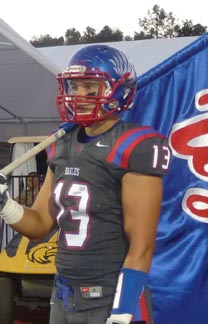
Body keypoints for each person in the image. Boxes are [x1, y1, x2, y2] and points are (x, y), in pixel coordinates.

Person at [0, 44, 171, 324]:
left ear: (118, 91)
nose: (79, 96)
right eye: (74, 86)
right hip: (63, 293)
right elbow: (40, 225)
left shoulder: (134, 144)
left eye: (90, 87)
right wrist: (5, 205)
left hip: (107, 297)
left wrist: (122, 311)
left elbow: (142, 246)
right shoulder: (62, 142)